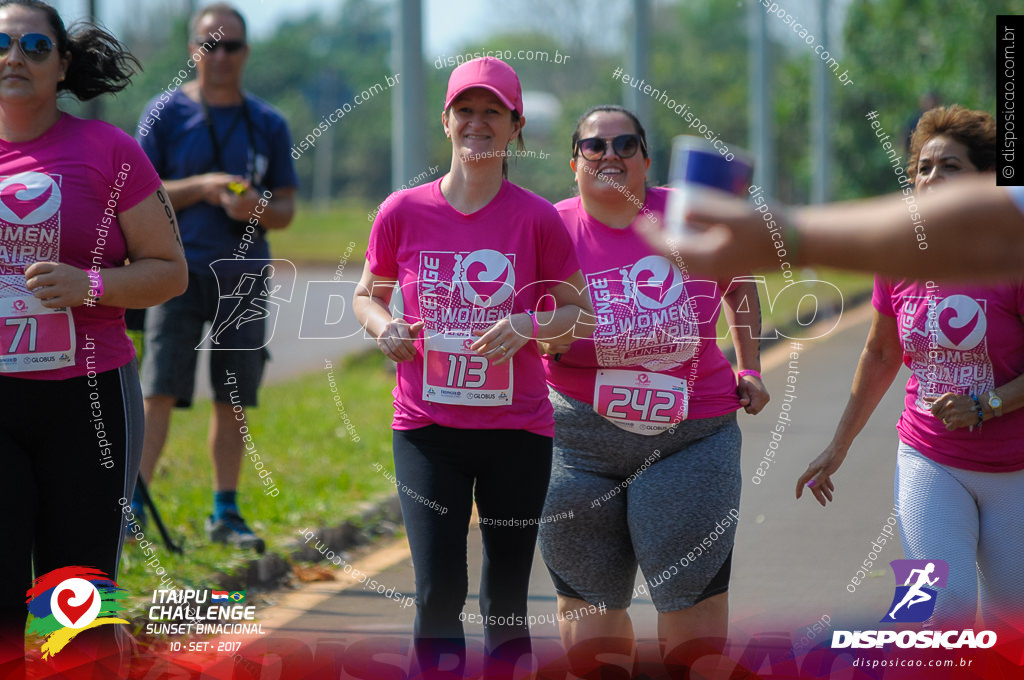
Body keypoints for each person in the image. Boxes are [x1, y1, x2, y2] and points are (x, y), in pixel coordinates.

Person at [352, 57, 593, 676]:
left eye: (492, 112)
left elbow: (579, 314)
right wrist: (388, 328)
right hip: (428, 431)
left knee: (506, 602)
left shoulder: (536, 217)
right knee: (437, 595)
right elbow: (367, 295)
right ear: (447, 121)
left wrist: (526, 326)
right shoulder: (402, 210)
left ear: (515, 126)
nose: (477, 123)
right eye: (466, 110)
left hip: (517, 432)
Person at [536, 105, 769, 674]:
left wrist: (751, 367)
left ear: (645, 160)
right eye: (595, 147)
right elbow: (522, 317)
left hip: (691, 436)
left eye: (625, 145)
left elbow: (740, 288)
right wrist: (545, 338)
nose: (609, 155)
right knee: (589, 634)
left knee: (691, 629)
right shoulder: (549, 227)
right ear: (575, 163)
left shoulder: (689, 217)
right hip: (577, 445)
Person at [0, 0, 187, 675]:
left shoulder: (108, 152)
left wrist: (93, 286)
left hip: (86, 401)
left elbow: (171, 272)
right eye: (0, 42)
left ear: (62, 64)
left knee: (73, 606)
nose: (14, 56)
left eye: (33, 45)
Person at [795, 106, 1024, 629]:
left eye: (950, 167)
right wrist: (838, 445)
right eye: (923, 167)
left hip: (1016, 468)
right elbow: (880, 353)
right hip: (930, 457)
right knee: (941, 608)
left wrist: (987, 405)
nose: (932, 177)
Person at [134, 2, 297, 551]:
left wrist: (251, 205)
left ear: (245, 53)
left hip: (244, 274)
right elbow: (140, 196)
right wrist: (202, 186)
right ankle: (133, 506)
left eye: (231, 46)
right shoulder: (162, 115)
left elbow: (286, 210)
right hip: (170, 272)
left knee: (233, 397)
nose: (220, 56)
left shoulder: (269, 123)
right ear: (192, 51)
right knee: (157, 390)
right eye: (210, 45)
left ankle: (225, 512)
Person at [636, 172, 1024, 282]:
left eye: (624, 144)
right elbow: (880, 353)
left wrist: (787, 238)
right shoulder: (895, 276)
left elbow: (996, 232)